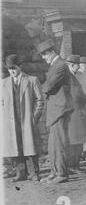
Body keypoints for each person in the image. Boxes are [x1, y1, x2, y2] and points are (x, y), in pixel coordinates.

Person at [2, 54, 44, 182]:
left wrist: (34, 117)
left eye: (14, 68)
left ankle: (34, 173)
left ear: (20, 66)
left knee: (30, 146)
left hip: (26, 119)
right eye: (9, 69)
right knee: (16, 146)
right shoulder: (3, 83)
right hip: (11, 121)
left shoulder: (31, 80)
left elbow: (40, 100)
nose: (12, 71)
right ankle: (21, 173)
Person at [37, 39, 73, 184]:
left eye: (45, 55)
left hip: (60, 109)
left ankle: (62, 173)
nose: (44, 58)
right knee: (53, 144)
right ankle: (54, 171)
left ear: (52, 52)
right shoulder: (55, 65)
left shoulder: (60, 65)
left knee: (59, 143)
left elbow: (48, 86)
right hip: (56, 109)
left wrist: (40, 91)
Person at [65, 55, 86, 173]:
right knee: (75, 142)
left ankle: (75, 165)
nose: (79, 67)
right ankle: (73, 166)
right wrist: (85, 98)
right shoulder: (70, 78)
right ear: (71, 65)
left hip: (76, 114)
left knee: (77, 141)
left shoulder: (71, 77)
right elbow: (75, 96)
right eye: (77, 65)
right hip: (75, 114)